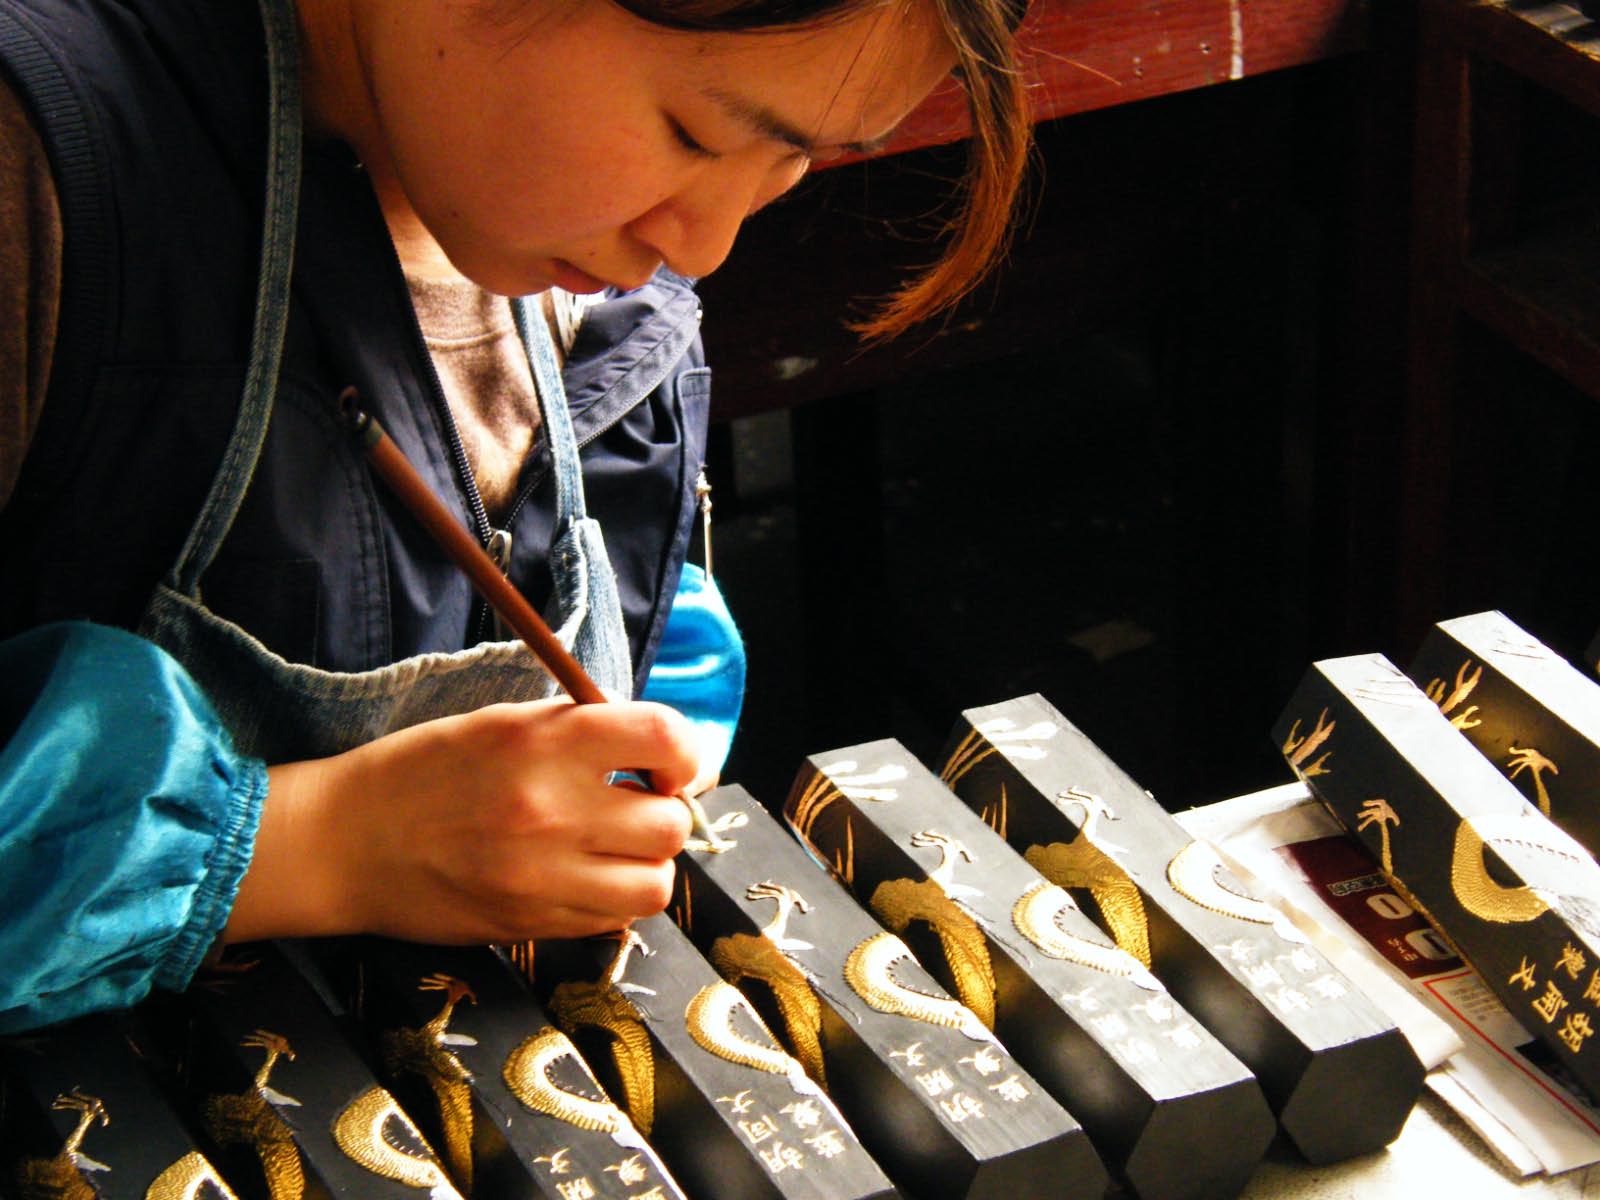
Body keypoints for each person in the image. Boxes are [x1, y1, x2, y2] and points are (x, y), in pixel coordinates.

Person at [0, 0, 1030, 1032]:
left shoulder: (563, 239)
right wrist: (318, 845)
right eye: (696, 135)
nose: (707, 243)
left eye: (797, 156)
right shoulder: (35, 173)